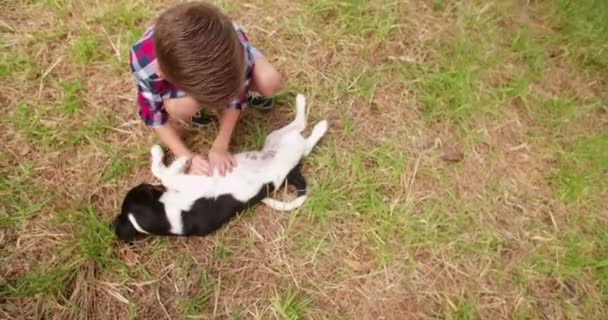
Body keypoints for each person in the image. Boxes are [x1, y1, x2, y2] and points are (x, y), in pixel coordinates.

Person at [130, 1, 281, 176]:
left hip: (231, 61)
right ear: (162, 74)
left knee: (269, 81)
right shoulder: (144, 64)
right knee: (180, 107)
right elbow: (153, 114)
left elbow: (238, 91)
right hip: (181, 75)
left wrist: (221, 144)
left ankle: (251, 96)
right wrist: (186, 156)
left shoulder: (231, 44)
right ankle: (197, 112)